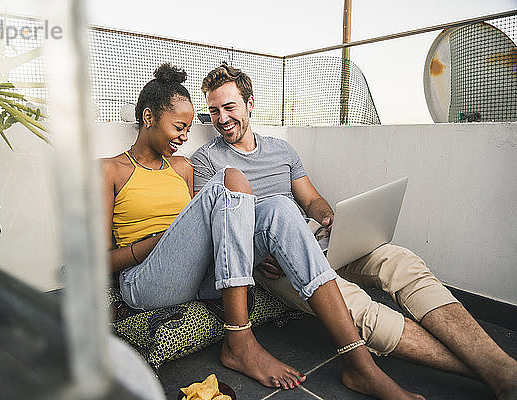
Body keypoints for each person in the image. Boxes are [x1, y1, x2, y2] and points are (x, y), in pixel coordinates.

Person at [191, 62, 517, 400]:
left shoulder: (282, 150)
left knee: (400, 260)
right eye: (213, 111)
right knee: (359, 307)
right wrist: (259, 256)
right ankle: (495, 370)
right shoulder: (207, 160)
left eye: (229, 107)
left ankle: (499, 367)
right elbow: (219, 231)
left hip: (318, 242)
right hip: (274, 263)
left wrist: (329, 219)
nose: (222, 118)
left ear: (250, 104)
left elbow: (313, 200)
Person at [103, 63, 424, 399]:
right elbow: (101, 262)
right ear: (150, 117)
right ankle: (239, 341)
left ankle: (360, 364)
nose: (185, 136)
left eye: (188, 128)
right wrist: (154, 244)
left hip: (196, 275)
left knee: (281, 208)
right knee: (231, 178)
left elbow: (200, 229)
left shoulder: (182, 166)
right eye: (179, 127)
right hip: (146, 281)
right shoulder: (109, 169)